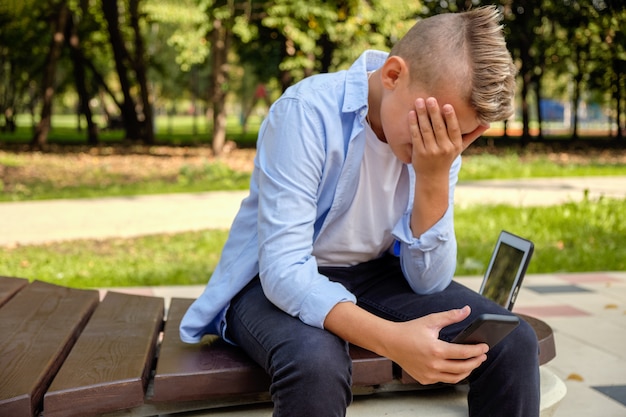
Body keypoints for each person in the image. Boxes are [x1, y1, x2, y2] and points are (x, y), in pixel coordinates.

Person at [180, 5, 539, 417]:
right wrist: (392, 339)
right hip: (268, 280)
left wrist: (434, 177)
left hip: (370, 274)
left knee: (512, 340)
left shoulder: (441, 144)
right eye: (429, 126)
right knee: (315, 363)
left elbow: (429, 282)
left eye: (456, 136)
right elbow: (284, 272)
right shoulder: (306, 112)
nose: (439, 143)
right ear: (392, 76)